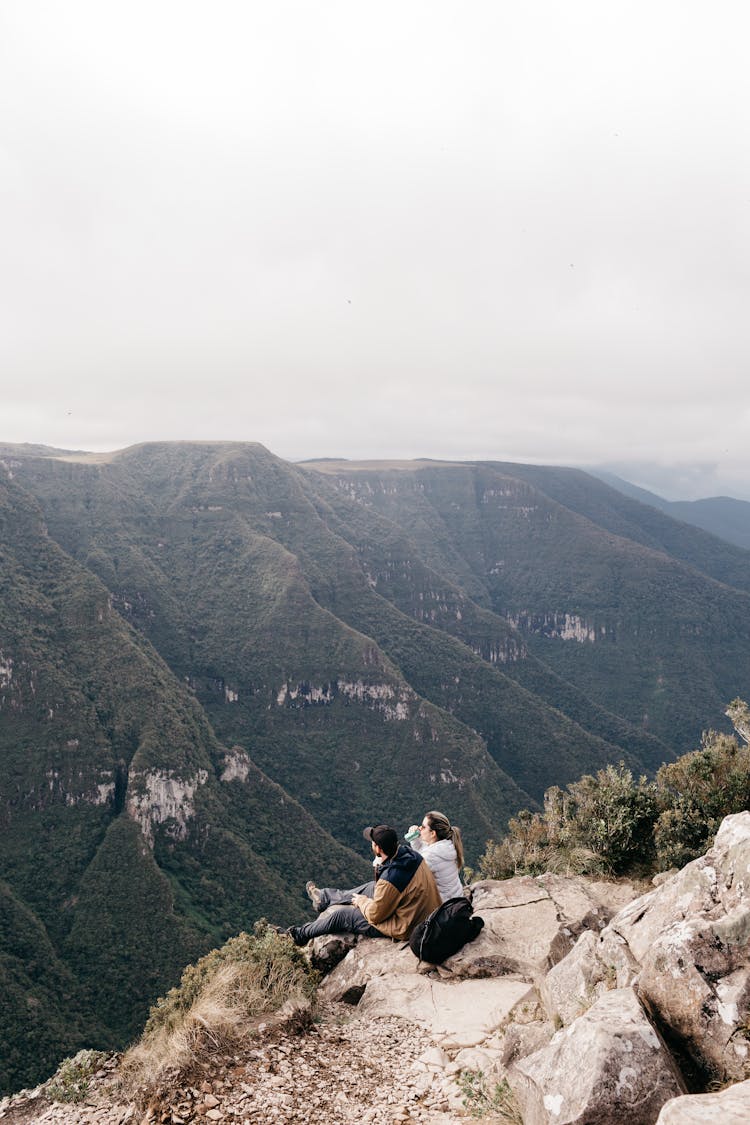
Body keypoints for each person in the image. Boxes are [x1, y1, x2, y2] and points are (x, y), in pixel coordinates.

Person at [287, 824, 441, 946]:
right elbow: (388, 886)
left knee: (342, 916)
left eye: (372, 843)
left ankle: (299, 934)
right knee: (370, 887)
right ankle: (325, 898)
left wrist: (362, 901)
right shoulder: (411, 854)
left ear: (378, 849)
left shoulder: (390, 879)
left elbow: (375, 915)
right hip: (423, 911)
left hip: (408, 925)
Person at [406, 810, 465, 902]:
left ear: (433, 833)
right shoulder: (447, 846)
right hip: (455, 899)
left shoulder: (431, 856)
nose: (420, 828)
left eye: (424, 827)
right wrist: (415, 840)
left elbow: (410, 874)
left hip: (442, 907)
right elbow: (424, 851)